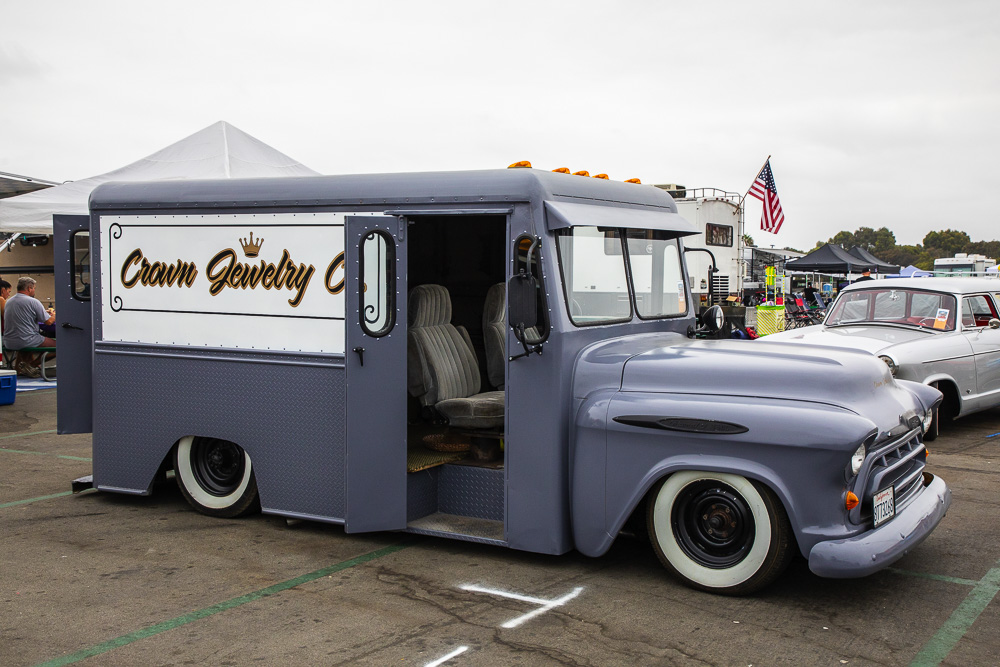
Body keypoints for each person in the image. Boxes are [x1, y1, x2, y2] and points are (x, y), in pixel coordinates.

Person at [2, 277, 56, 377]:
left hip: (9, 341)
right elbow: (48, 322)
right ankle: (31, 365)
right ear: (29, 288)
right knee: (59, 346)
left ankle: (19, 370)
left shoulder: (9, 302)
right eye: (34, 288)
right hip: (27, 339)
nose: (34, 290)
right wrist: (55, 315)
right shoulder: (33, 301)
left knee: (24, 346)